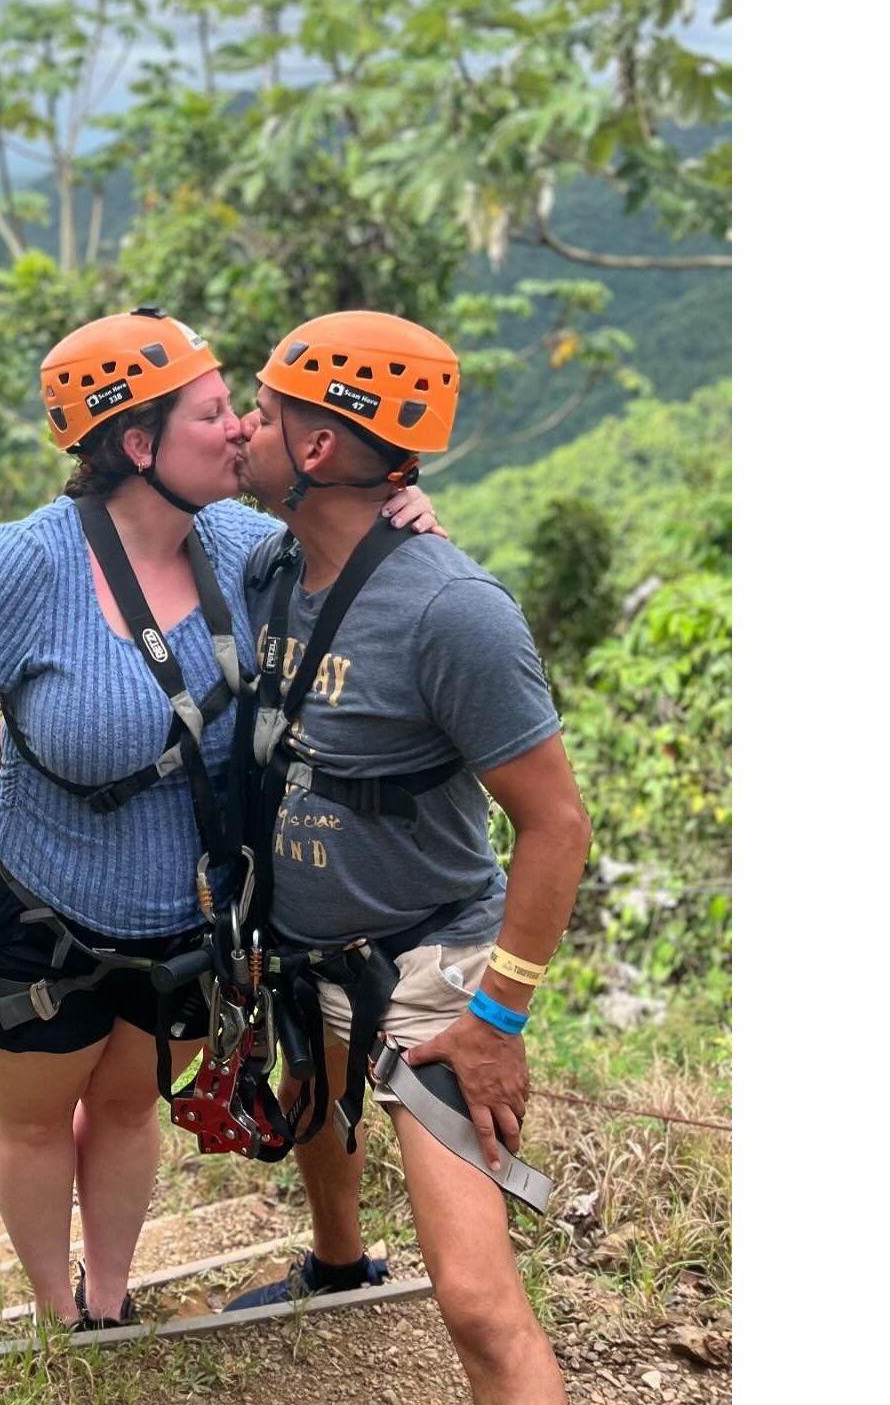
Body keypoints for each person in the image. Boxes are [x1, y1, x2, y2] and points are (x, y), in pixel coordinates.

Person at [0, 307, 438, 1328]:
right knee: (37, 1120)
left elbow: (363, 574)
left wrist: (402, 509)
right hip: (33, 914)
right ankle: (59, 1317)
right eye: (213, 412)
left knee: (128, 1104)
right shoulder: (27, 566)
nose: (241, 429)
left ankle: (109, 1300)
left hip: (186, 927)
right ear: (138, 446)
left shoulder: (248, 547)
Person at [221, 310, 590, 1405]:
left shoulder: (451, 611)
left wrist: (498, 1019)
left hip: (431, 960)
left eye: (262, 413)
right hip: (311, 944)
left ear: (317, 446)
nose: (241, 427)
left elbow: (557, 824)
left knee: (474, 1302)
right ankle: (339, 1264)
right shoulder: (268, 564)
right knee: (314, 1092)